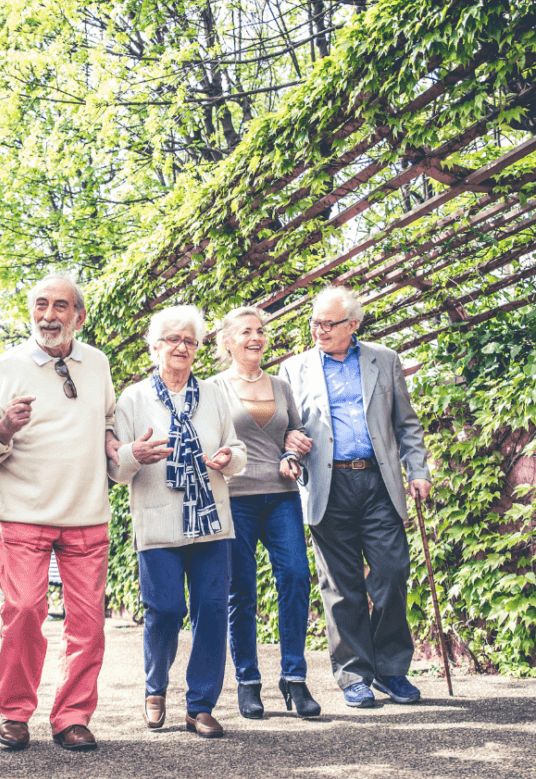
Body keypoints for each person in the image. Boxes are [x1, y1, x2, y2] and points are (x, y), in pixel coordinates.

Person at [0, 273, 116, 753]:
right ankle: (15, 713)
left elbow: (108, 421)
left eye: (59, 306)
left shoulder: (97, 363)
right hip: (24, 511)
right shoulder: (6, 366)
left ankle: (72, 717)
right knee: (25, 611)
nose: (48, 316)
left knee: (88, 622)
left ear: (80, 315)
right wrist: (5, 427)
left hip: (87, 512)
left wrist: (120, 447)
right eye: (40, 305)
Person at [280, 286, 431, 708]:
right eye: (315, 322)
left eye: (329, 324)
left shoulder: (384, 359)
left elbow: (407, 424)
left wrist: (418, 471)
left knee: (392, 571)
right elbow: (288, 428)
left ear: (353, 325)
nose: (319, 330)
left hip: (379, 483)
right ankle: (353, 676)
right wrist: (290, 448)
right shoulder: (294, 369)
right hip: (328, 485)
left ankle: (391, 669)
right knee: (340, 585)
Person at [108, 305, 246, 738]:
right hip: (159, 520)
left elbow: (235, 448)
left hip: (210, 522)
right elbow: (116, 468)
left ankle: (200, 705)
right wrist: (134, 454)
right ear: (154, 347)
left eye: (190, 340)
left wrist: (228, 459)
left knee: (211, 610)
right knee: (165, 610)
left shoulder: (216, 394)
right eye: (172, 338)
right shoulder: (133, 399)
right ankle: (155, 687)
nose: (182, 346)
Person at [213, 307, 321, 720]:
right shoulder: (213, 388)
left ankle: (294, 678)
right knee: (241, 590)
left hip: (281, 495)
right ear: (227, 341)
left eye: (260, 331)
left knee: (295, 576)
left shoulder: (281, 385)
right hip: (235, 497)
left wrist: (292, 452)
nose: (255, 338)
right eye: (245, 332)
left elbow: (297, 433)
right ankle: (248, 682)